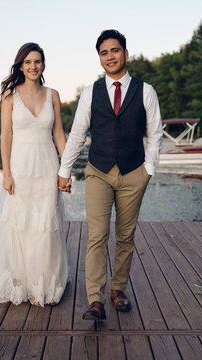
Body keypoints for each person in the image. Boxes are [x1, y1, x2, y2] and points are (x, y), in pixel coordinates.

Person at [58, 30, 163, 320]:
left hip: (133, 172)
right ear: (100, 58)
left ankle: (118, 290)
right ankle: (96, 300)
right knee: (97, 235)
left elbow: (155, 134)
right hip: (98, 171)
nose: (110, 57)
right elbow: (78, 134)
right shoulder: (91, 92)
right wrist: (64, 171)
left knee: (126, 235)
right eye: (104, 53)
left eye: (115, 51)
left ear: (125, 54)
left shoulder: (146, 91)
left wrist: (149, 170)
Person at [0, 42, 68, 307]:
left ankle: (45, 284)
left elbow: (59, 134)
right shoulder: (9, 95)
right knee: (22, 225)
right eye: (27, 62)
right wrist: (6, 173)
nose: (33, 66)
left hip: (48, 166)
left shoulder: (53, 95)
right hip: (20, 168)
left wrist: (67, 169)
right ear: (20, 65)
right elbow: (6, 137)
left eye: (37, 61)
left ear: (43, 65)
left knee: (46, 226)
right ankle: (24, 282)